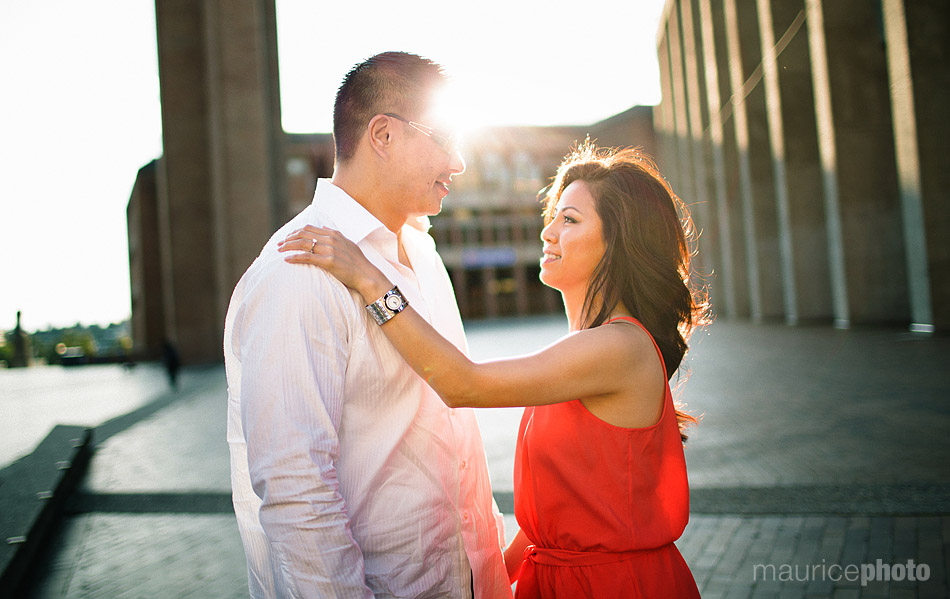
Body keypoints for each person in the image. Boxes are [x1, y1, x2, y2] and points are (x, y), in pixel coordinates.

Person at [279, 142, 708, 598]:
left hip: (616, 587)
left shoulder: (620, 347)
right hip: (555, 580)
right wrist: (487, 580)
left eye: (570, 219)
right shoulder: (584, 352)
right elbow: (552, 518)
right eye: (555, 214)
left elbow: (463, 383)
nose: (548, 231)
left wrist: (370, 280)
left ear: (619, 243)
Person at [224, 52, 511, 599]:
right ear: (382, 135)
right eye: (446, 139)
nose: (460, 163)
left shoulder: (423, 255)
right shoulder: (298, 270)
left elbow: (458, 436)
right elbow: (298, 496)